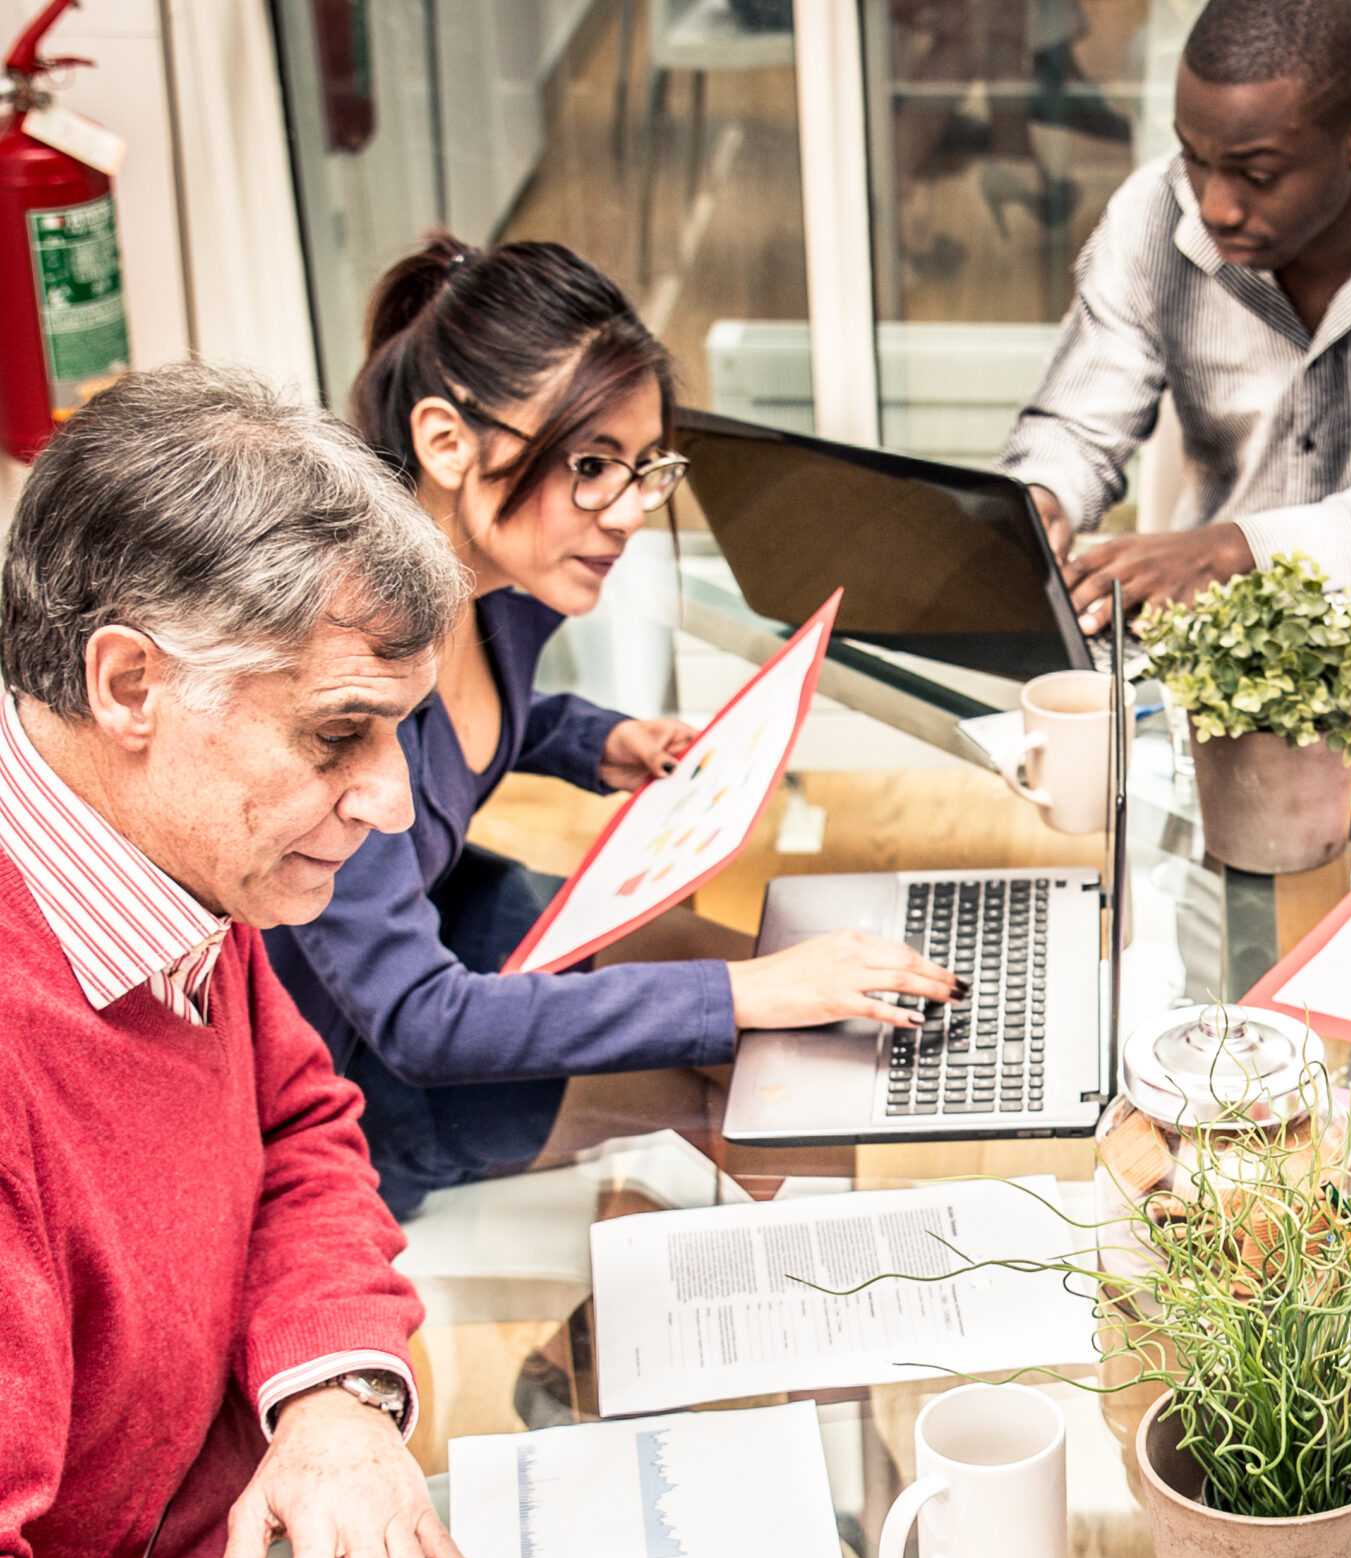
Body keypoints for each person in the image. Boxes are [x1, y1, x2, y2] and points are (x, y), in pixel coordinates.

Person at [0, 364, 894, 1558]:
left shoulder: (156, 869)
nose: (381, 805)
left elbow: (303, 1122)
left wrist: (329, 1396)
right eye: (336, 739)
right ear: (126, 683)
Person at [262, 236, 958, 1217]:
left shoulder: (492, 584)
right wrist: (741, 997)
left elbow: (481, 714)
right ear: (447, 442)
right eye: (591, 466)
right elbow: (421, 1019)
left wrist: (595, 740)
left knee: (788, 1029)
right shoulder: (349, 673)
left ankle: (801, 1261)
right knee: (743, 1043)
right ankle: (708, 1317)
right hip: (350, 1067)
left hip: (448, 924)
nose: (629, 510)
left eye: (644, 469)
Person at [997, 0, 1351, 632]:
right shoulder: (1153, 212)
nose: (1216, 207)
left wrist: (1236, 550)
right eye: (1195, 157)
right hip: (1216, 662)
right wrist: (1041, 498)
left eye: (1257, 174)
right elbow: (1078, 429)